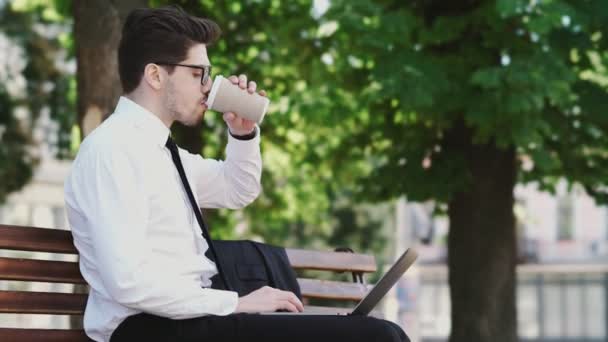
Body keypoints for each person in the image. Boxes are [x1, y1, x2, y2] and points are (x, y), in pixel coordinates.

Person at [64, 5, 409, 342]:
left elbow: (237, 189)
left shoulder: (163, 153)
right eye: (198, 73)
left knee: (382, 333)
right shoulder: (111, 151)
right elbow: (127, 282)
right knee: (376, 336)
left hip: (191, 320)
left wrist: (242, 133)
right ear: (155, 75)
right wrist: (236, 303)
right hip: (148, 329)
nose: (207, 87)